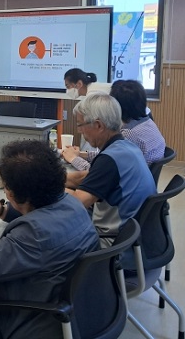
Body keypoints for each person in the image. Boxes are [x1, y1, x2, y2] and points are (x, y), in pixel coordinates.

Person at [0, 140, 99, 339]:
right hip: (81, 309)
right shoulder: (73, 204)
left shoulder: (33, 233)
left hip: (37, 320)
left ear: (12, 193)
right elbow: (43, 215)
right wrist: (2, 210)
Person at [65, 92, 156, 246]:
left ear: (98, 125)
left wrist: (46, 187)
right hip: (136, 237)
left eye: (80, 125)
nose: (79, 130)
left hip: (111, 244)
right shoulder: (127, 147)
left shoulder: (108, 160)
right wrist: (54, 178)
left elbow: (77, 204)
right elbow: (88, 177)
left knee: (48, 239)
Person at [62, 79, 165, 170]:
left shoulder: (128, 134)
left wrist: (73, 159)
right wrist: (80, 154)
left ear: (116, 106)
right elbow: (109, 156)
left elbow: (99, 171)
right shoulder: (147, 122)